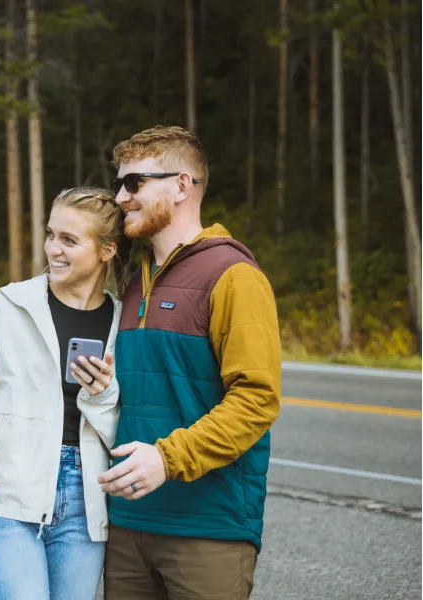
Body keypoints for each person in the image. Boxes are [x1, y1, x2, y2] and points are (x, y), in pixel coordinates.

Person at [98, 125, 281, 599]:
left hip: (208, 527)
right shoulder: (131, 280)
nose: (121, 196)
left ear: (181, 186)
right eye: (119, 184)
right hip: (127, 524)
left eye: (134, 183)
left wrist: (166, 457)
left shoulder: (233, 275)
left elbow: (256, 401)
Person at [0, 187, 130, 600]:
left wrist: (101, 396)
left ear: (106, 251)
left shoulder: (122, 323)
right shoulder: (11, 304)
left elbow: (123, 426)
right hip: (5, 494)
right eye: (51, 235)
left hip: (85, 506)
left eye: (69, 240)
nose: (53, 250)